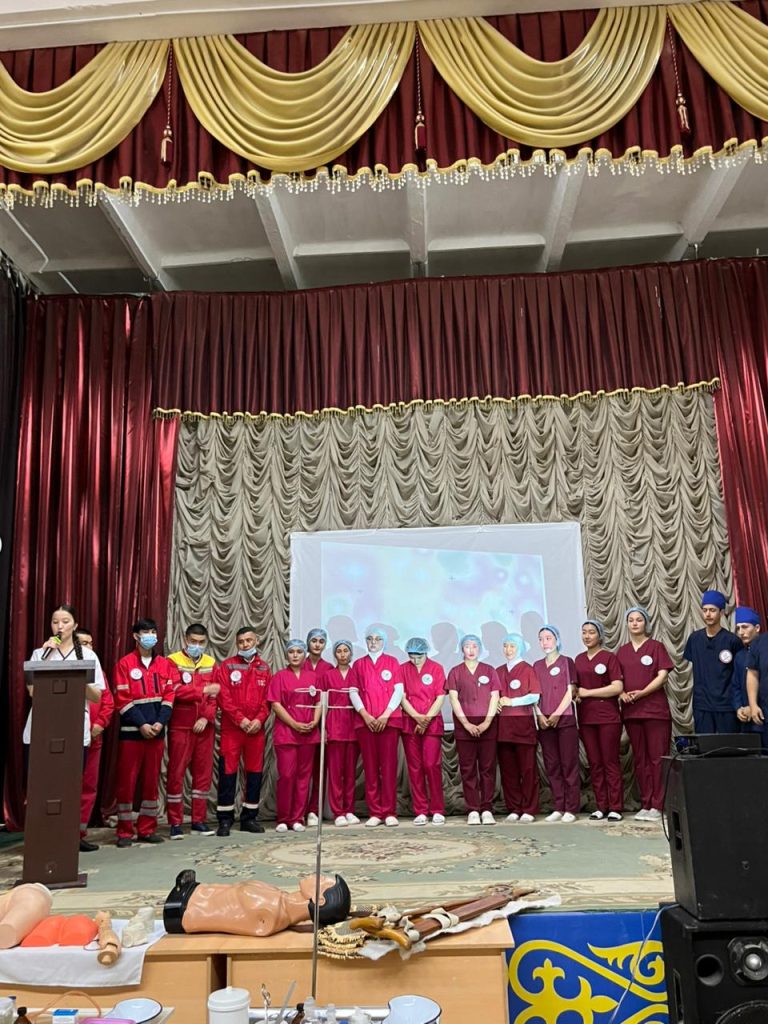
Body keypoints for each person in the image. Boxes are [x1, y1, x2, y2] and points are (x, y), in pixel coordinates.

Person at [24, 605, 107, 850]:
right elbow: (32, 691)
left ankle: (69, 839)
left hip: (74, 728)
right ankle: (41, 839)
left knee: (69, 788)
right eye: (55, 622)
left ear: (75, 625)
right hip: (42, 728)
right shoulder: (40, 653)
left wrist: (77, 677)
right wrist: (47, 658)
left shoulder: (88, 656)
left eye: (65, 621)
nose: (60, 626)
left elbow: (97, 696)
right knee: (42, 786)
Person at [113, 617, 178, 847]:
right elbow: (122, 699)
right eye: (145, 632)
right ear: (135, 636)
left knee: (151, 782)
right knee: (127, 782)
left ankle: (147, 828)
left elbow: (169, 696)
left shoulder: (165, 665)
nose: (150, 636)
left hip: (157, 734)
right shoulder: (124, 664)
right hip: (132, 733)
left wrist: (160, 723)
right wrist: (142, 724)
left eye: (153, 632)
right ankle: (124, 832)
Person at [164, 870, 351, 937]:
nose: (317, 875)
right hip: (193, 894)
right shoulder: (279, 901)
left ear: (319, 900)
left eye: (322, 880)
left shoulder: (269, 918)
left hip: (185, 907)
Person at [616, 607, 674, 822]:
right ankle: (646, 802)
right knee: (640, 759)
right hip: (632, 713)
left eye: (639, 620)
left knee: (657, 758)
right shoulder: (622, 652)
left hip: (655, 711)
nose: (634, 623)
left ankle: (658, 805)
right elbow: (616, 680)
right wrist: (622, 694)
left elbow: (663, 676)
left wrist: (642, 693)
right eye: (630, 620)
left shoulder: (656, 647)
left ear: (646, 623)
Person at [214, 627, 271, 837]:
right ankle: (225, 819)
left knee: (254, 773)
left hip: (256, 730)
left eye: (249, 640)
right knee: (228, 773)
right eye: (241, 642)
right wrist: (241, 719)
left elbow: (268, 700)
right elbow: (224, 698)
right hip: (232, 729)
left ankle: (249, 818)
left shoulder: (264, 668)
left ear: (257, 641)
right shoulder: (227, 666)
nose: (245, 645)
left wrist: (258, 720)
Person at [166, 623, 219, 839]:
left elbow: (215, 696)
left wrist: (206, 717)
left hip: (205, 727)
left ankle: (199, 820)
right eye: (193, 641)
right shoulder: (173, 661)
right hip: (181, 725)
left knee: (203, 774)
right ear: (185, 639)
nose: (197, 645)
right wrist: (202, 690)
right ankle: (175, 822)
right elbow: (175, 690)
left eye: (201, 642)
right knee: (176, 773)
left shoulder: (211, 663)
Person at [349, 625, 404, 827]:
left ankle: (389, 811)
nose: (373, 642)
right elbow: (353, 692)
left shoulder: (392, 662)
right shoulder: (359, 665)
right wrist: (365, 715)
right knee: (370, 767)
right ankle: (375, 812)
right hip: (366, 723)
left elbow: (398, 691)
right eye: (369, 638)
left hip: (389, 722)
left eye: (378, 639)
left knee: (388, 767)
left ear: (384, 641)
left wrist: (386, 714)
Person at [268, 639, 322, 833]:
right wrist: (294, 724)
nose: (295, 655)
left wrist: (314, 721)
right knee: (287, 776)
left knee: (304, 777)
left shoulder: (313, 677)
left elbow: (319, 701)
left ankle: (297, 818)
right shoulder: (279, 677)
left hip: (309, 733)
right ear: (286, 655)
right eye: (292, 652)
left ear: (304, 654)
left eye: (299, 651)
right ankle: (283, 818)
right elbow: (276, 704)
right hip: (287, 734)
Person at [447, 634, 500, 825]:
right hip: (464, 727)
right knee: (468, 770)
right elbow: (453, 699)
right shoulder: (455, 672)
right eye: (467, 646)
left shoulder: (489, 670)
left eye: (475, 646)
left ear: (480, 648)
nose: (471, 650)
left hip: (488, 726)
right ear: (462, 649)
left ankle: (486, 809)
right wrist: (466, 724)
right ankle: (473, 810)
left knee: (487, 769)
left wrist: (486, 722)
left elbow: (495, 697)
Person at [574, 619, 624, 822]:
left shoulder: (609, 658)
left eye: (591, 632)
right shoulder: (578, 660)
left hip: (607, 717)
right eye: (584, 632)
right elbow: (576, 688)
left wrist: (588, 693)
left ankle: (615, 806)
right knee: (594, 763)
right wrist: (576, 695)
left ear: (600, 635)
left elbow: (617, 687)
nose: (587, 636)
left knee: (610, 761)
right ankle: (601, 806)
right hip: (586, 718)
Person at [533, 624, 579, 823]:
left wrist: (557, 714)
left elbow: (570, 691)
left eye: (548, 638)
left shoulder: (567, 662)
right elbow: (533, 694)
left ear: (557, 639)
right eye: (541, 639)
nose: (545, 642)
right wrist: (540, 715)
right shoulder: (536, 666)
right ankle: (559, 806)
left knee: (569, 764)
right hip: (545, 722)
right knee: (552, 765)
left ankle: (571, 808)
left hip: (565, 720)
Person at [75, 627, 115, 853]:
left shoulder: (99, 673)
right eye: (83, 643)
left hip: (94, 738)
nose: (88, 647)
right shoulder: (66, 670)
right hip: (71, 739)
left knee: (88, 787)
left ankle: (78, 834)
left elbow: (108, 702)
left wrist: (100, 724)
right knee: (68, 786)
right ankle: (60, 834)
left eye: (90, 643)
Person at [400, 637, 447, 826]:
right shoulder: (402, 669)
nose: (415, 660)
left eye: (419, 656)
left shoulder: (436, 668)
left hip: (432, 724)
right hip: (410, 723)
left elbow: (440, 697)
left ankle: (437, 809)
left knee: (431, 765)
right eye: (411, 656)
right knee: (415, 767)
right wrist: (416, 717)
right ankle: (420, 810)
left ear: (426, 653)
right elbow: (402, 697)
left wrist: (426, 719)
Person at [682, 589, 741, 734]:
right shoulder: (694, 639)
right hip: (702, 704)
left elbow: (739, 674)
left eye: (712, 610)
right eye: (705, 610)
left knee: (728, 745)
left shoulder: (732, 641)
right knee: (705, 745)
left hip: (726, 705)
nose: (708, 614)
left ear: (721, 612)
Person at [496, 633, 540, 824]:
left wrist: (511, 701)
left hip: (523, 728)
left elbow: (535, 695)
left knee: (528, 770)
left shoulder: (528, 669)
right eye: (505, 646)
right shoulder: (498, 671)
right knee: (509, 771)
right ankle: (514, 807)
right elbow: (492, 695)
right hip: (503, 729)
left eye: (512, 646)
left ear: (520, 647)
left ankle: (529, 808)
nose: (508, 650)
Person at [325, 640, 360, 827]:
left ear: (351, 653)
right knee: (336, 772)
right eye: (339, 651)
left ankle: (349, 809)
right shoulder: (328, 675)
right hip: (335, 725)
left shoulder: (357, 673)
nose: (343, 654)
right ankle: (338, 811)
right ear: (335, 654)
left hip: (354, 725)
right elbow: (322, 704)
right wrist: (324, 728)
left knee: (350, 772)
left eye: (346, 650)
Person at [304, 628, 333, 826]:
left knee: (319, 769)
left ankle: (314, 809)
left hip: (322, 725)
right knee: (300, 771)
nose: (317, 644)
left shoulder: (329, 668)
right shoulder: (298, 664)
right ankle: (297, 810)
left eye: (321, 641)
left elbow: (330, 701)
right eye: (314, 640)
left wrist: (324, 726)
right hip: (299, 723)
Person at [731, 607, 761, 733]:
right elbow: (735, 685)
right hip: (746, 721)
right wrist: (739, 707)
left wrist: (753, 706)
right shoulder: (740, 656)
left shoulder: (764, 651)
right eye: (738, 628)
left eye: (745, 627)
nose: (741, 632)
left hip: (762, 716)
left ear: (757, 628)